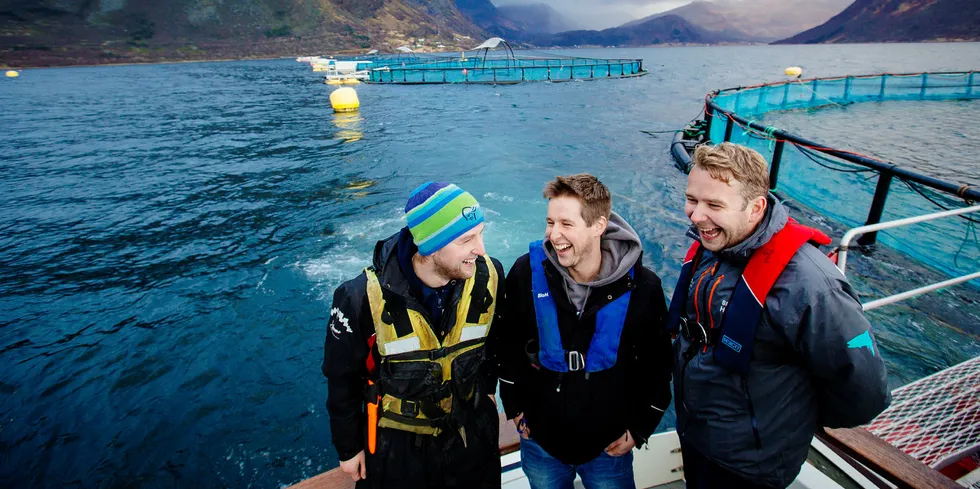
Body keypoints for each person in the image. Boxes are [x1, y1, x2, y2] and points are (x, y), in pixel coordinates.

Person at [668, 143, 891, 489]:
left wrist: (790, 423)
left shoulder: (811, 285)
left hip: (751, 464)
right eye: (692, 200)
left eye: (714, 205)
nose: (696, 216)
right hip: (699, 437)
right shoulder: (715, 246)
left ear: (755, 208)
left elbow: (865, 390)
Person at [322, 182, 505, 488]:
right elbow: (341, 379)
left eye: (481, 234)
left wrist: (487, 389)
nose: (481, 250)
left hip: (471, 437)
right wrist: (349, 447)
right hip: (398, 449)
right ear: (430, 245)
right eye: (466, 239)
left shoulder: (488, 277)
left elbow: (496, 343)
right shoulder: (359, 298)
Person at [498, 173, 673, 489]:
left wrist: (640, 427)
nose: (554, 235)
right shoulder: (526, 273)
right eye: (550, 223)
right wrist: (514, 408)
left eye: (567, 224)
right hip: (541, 440)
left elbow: (656, 365)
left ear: (598, 226)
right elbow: (509, 344)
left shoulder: (644, 288)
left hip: (609, 448)